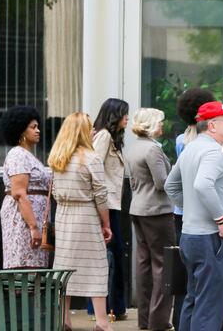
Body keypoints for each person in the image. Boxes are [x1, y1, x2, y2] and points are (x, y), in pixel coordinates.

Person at [165, 101, 223, 331]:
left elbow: (171, 186)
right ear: (213, 125)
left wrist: (193, 208)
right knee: (210, 307)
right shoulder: (211, 150)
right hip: (211, 238)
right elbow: (203, 185)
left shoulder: (191, 148)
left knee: (194, 299)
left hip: (191, 235)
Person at [48, 112, 113, 331]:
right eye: (90, 127)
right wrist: (106, 224)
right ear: (82, 131)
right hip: (86, 215)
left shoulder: (57, 158)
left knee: (64, 267)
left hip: (64, 215)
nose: (94, 130)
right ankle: (102, 323)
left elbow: (55, 191)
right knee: (97, 266)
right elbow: (100, 195)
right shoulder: (91, 158)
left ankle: (65, 320)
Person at [125, 108, 175, 331]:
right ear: (150, 125)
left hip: (138, 208)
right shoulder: (153, 149)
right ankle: (159, 321)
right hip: (157, 210)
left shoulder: (134, 147)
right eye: (160, 122)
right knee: (164, 264)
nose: (163, 125)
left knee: (143, 264)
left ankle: (145, 320)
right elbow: (162, 183)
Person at [173, 87, 217, 328]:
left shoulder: (181, 141)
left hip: (182, 213)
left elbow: (174, 182)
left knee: (186, 275)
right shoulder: (206, 144)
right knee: (206, 276)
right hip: (203, 215)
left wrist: (182, 202)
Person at [91, 98, 130, 320]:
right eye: (124, 113)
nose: (127, 118)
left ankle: (115, 307)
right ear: (114, 115)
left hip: (112, 204)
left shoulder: (112, 138)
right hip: (105, 205)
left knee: (112, 255)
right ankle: (108, 307)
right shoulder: (104, 136)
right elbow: (94, 167)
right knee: (109, 255)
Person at [0, 106, 50, 269]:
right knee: (24, 267)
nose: (38, 131)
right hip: (23, 221)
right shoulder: (18, 155)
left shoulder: (29, 155)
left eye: (38, 126)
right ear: (21, 130)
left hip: (34, 220)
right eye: (33, 127)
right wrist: (33, 227)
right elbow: (19, 193)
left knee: (35, 269)